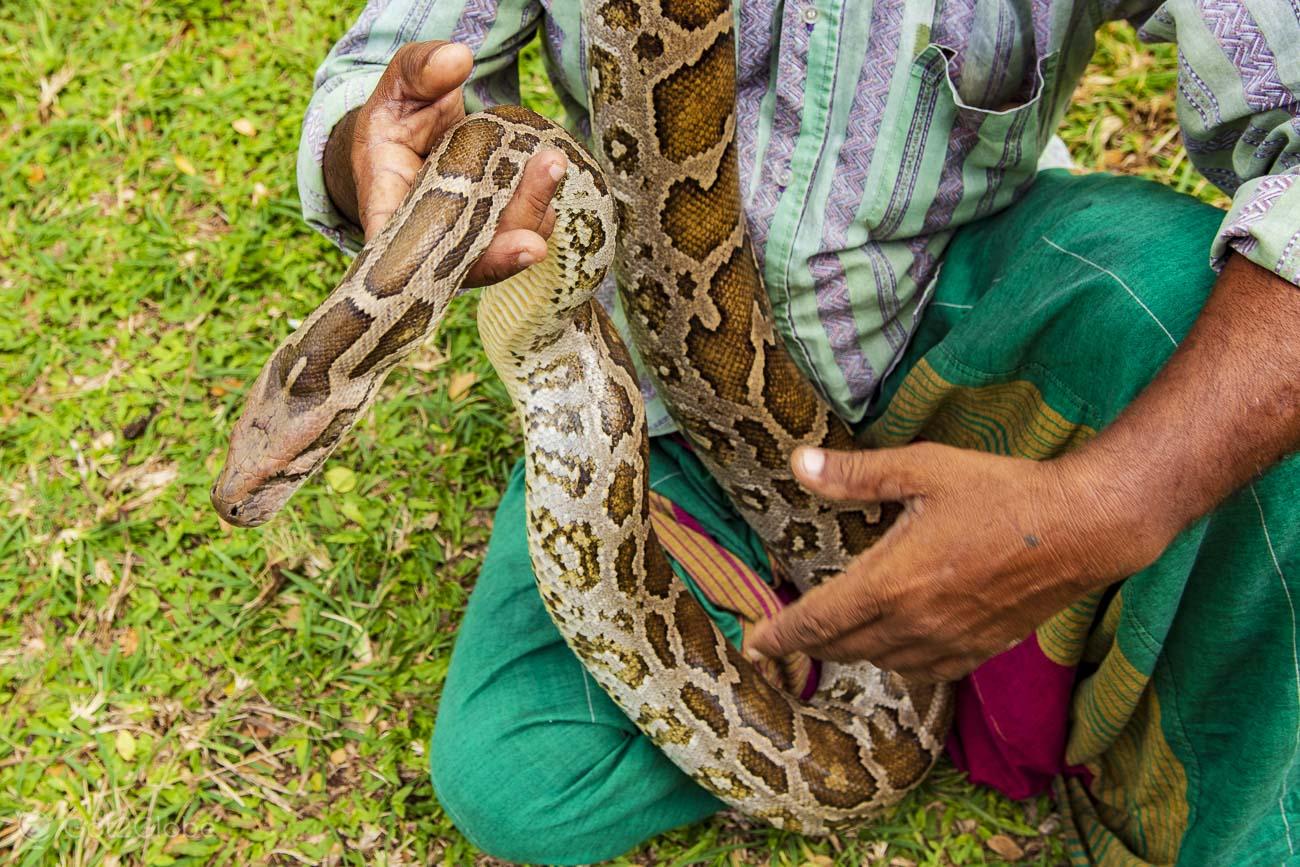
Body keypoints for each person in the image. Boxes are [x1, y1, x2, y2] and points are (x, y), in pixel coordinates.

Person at [298, 2, 1300, 864]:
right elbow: (384, 77)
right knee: (517, 770)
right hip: (667, 407)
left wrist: (1111, 503)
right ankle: (891, 615)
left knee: (1191, 313)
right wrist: (382, 162)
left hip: (951, 314)